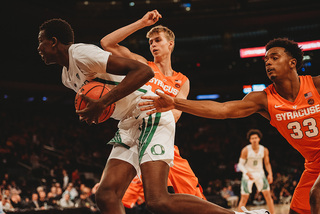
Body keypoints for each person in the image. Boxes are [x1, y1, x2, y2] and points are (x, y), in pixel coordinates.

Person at [37, 18, 268, 214]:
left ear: (54, 41)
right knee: (106, 195)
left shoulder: (82, 54)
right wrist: (95, 110)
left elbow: (142, 73)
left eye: (40, 42)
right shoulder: (67, 77)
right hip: (129, 123)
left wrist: (104, 102)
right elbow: (103, 96)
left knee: (158, 201)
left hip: (153, 116)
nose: (38, 48)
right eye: (151, 41)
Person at [140, 37, 320, 214]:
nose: (268, 63)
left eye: (274, 58)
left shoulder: (316, 85)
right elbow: (222, 109)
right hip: (313, 165)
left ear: (292, 63)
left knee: (316, 195)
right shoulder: (263, 99)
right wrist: (175, 103)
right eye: (266, 60)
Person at [100, 9, 205, 200]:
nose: (153, 45)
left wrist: (161, 110)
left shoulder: (183, 81)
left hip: (162, 139)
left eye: (158, 40)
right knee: (116, 197)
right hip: (136, 135)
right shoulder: (144, 66)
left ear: (170, 44)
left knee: (193, 192)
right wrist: (141, 23)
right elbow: (107, 43)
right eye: (150, 42)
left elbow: (176, 114)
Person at [237, 129, 274, 214]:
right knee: (244, 198)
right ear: (250, 140)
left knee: (268, 196)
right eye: (252, 138)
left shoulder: (264, 150)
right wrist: (246, 173)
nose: (254, 140)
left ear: (259, 139)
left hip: (260, 173)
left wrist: (270, 174)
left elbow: (267, 163)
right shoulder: (245, 150)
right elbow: (240, 165)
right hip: (248, 174)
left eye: (256, 138)